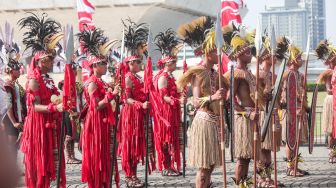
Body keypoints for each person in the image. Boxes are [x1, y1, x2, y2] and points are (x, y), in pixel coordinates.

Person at [177, 16, 229, 188]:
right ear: (208, 52)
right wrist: (213, 98)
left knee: (212, 164)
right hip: (204, 122)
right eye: (216, 51)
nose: (219, 55)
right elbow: (196, 101)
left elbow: (227, 89)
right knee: (204, 167)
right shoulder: (198, 72)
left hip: (215, 122)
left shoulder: (215, 74)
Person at [18, 12, 66, 187]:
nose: (53, 61)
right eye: (49, 59)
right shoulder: (34, 80)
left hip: (49, 125)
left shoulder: (48, 78)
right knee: (40, 162)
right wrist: (54, 109)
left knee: (50, 162)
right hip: (38, 126)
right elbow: (35, 107)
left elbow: (54, 98)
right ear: (40, 61)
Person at [78, 27, 120, 187]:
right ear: (94, 66)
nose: (106, 66)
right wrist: (111, 95)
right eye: (103, 63)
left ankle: (104, 182)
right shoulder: (92, 83)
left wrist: (113, 93)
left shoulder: (101, 81)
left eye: (106, 63)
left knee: (106, 155)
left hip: (103, 123)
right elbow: (95, 106)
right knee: (98, 156)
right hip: (95, 124)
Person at [118, 19, 155, 188]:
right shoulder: (128, 78)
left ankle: (134, 174)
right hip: (131, 115)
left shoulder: (139, 77)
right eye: (138, 61)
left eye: (141, 61)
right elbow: (126, 99)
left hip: (139, 115)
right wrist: (141, 105)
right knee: (130, 145)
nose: (141, 63)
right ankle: (129, 176)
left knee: (137, 145)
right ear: (130, 63)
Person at [223, 23, 260, 187]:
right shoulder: (236, 74)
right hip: (244, 118)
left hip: (253, 117)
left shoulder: (249, 72)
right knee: (242, 157)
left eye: (251, 51)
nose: (251, 54)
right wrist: (247, 113)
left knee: (248, 157)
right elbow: (230, 101)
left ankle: (245, 183)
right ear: (239, 55)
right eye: (247, 52)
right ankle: (239, 184)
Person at [151, 29, 186, 176]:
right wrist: (178, 100)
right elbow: (163, 97)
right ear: (167, 63)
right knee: (166, 139)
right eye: (173, 62)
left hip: (173, 111)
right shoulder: (162, 77)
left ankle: (170, 165)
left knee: (173, 139)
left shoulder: (171, 76)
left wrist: (180, 92)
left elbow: (173, 93)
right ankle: (166, 166)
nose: (175, 64)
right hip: (165, 113)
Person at [279, 37, 309, 176]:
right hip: (290, 113)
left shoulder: (301, 76)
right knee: (290, 141)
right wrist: (292, 107)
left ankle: (295, 165)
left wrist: (304, 106)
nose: (301, 59)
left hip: (299, 112)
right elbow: (283, 97)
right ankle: (290, 167)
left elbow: (304, 96)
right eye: (298, 57)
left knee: (296, 141)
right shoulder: (286, 75)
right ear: (291, 60)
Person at [0, 22, 27, 165]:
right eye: (17, 69)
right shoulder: (7, 84)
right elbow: (8, 104)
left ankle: (11, 167)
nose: (20, 71)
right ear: (11, 70)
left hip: (16, 118)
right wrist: (14, 122)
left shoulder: (15, 83)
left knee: (15, 145)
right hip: (8, 119)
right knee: (10, 144)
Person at [315, 40, 336, 163]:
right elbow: (328, 89)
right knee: (331, 129)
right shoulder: (328, 72)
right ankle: (332, 152)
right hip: (331, 101)